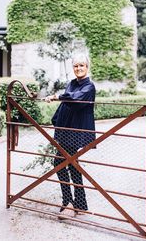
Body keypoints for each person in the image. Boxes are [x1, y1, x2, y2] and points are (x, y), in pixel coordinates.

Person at [45, 53, 96, 219]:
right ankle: (79, 204)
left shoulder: (89, 87)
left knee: (59, 163)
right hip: (66, 131)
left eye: (82, 65)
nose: (78, 68)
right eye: (76, 66)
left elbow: (75, 99)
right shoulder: (72, 83)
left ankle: (68, 202)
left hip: (75, 133)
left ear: (87, 67)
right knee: (72, 165)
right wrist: (56, 121)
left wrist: (56, 96)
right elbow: (65, 104)